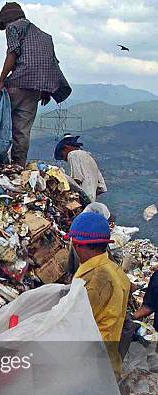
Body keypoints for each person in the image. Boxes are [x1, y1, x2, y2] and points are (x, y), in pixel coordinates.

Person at [0, 2, 71, 167]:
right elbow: (51, 63)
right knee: (22, 130)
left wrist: (1, 81)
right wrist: (46, 91)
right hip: (35, 90)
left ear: (6, 20)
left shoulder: (13, 28)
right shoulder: (45, 36)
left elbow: (12, 53)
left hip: (17, 83)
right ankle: (18, 166)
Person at [66, 212, 130, 378]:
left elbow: (73, 324)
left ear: (79, 244)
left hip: (91, 365)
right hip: (108, 357)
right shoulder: (115, 270)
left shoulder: (95, 280)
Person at [55, 135, 106, 203]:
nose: (65, 159)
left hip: (82, 200)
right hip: (91, 201)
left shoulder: (72, 154)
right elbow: (102, 187)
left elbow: (77, 178)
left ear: (66, 148)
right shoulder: (89, 157)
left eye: (62, 155)